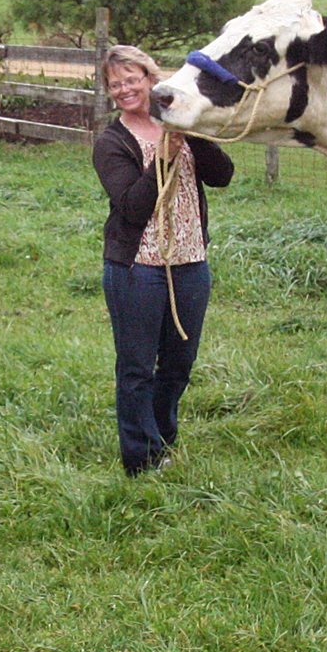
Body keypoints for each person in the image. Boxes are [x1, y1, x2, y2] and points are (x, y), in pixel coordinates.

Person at [92, 43, 234, 473]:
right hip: (137, 268)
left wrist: (191, 133)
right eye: (115, 85)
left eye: (131, 80)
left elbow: (222, 176)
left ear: (151, 80)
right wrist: (162, 160)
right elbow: (133, 207)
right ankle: (142, 459)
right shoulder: (111, 143)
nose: (124, 90)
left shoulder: (179, 123)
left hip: (190, 262)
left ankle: (162, 439)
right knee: (137, 368)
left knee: (178, 365)